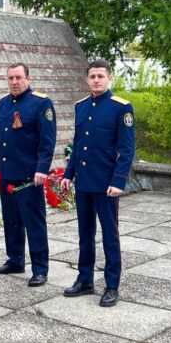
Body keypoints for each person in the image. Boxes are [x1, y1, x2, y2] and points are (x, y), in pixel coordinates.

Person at [60, 59, 135, 307]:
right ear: (86, 79)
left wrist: (118, 181)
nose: (96, 80)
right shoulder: (81, 106)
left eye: (100, 76)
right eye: (92, 76)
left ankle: (112, 285)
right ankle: (85, 279)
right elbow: (78, 144)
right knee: (85, 234)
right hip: (84, 183)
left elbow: (126, 149)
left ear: (109, 78)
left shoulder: (120, 108)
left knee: (110, 236)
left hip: (106, 185)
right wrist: (68, 174)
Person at [0, 63, 57, 287]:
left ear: (28, 77)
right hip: (8, 173)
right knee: (12, 221)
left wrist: (42, 169)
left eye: (18, 77)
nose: (14, 82)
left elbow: (48, 140)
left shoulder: (41, 103)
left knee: (34, 223)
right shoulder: (3, 104)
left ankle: (40, 269)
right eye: (10, 78)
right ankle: (15, 260)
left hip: (29, 175)